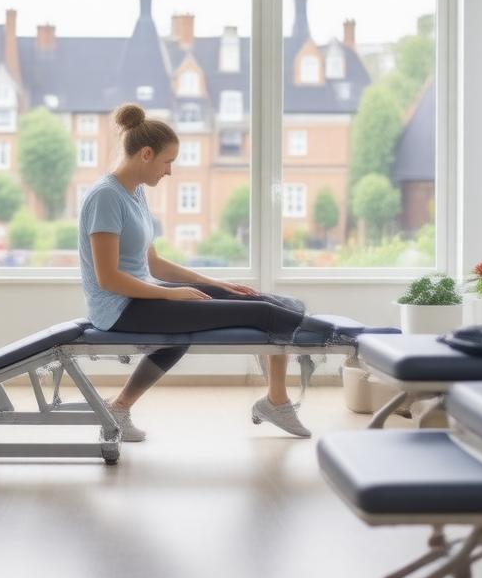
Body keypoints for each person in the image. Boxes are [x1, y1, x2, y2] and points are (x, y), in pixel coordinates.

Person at [77, 102, 314, 442]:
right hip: (117, 309)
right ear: (146, 154)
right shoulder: (106, 197)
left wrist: (211, 282)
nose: (169, 172)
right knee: (263, 313)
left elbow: (153, 263)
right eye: (167, 162)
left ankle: (276, 400)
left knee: (257, 299)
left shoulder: (135, 192)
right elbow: (108, 278)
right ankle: (340, 339)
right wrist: (171, 294)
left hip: (141, 296)